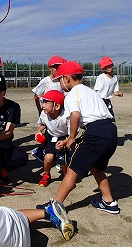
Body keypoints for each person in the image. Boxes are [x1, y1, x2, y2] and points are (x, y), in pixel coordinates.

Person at [40, 61, 120, 214]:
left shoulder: (71, 95)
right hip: (110, 131)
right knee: (96, 167)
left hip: (96, 133)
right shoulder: (91, 92)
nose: (59, 83)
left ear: (68, 79)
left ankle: (55, 207)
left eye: (60, 80)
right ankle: (109, 202)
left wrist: (71, 138)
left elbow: (75, 115)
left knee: (72, 170)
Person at [34, 90, 68, 187]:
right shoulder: (44, 114)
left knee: (62, 161)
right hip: (51, 137)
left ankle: (67, 177)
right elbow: (43, 124)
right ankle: (46, 174)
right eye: (43, 101)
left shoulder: (65, 116)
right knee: (48, 158)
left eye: (46, 102)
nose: (43, 105)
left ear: (57, 106)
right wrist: (39, 131)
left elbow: (74, 131)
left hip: (63, 138)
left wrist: (65, 141)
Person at [94, 57, 123, 121]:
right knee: (100, 119)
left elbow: (115, 91)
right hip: (99, 100)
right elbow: (96, 90)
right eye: (105, 67)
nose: (108, 68)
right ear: (103, 69)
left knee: (112, 119)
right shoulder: (101, 77)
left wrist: (118, 93)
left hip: (107, 101)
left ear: (112, 65)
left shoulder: (114, 78)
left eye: (109, 66)